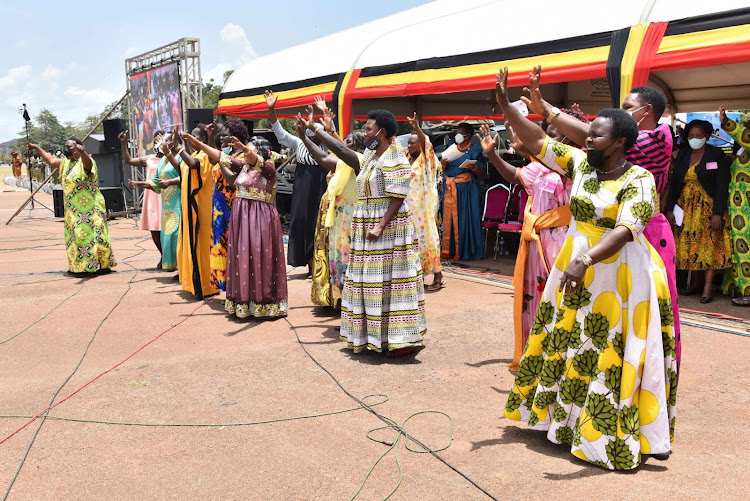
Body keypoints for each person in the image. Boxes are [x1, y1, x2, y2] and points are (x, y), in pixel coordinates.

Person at [495, 67, 677, 470]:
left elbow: (628, 228)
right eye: (588, 133)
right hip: (576, 265)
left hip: (618, 274)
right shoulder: (580, 165)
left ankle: (601, 437)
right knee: (570, 340)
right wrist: (508, 108)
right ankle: (563, 423)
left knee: (608, 349)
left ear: (621, 143)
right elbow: (538, 140)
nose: (587, 139)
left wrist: (586, 258)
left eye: (596, 135)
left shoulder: (639, 179)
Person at [523, 66, 682, 373]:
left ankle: (646, 378)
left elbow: (590, 137)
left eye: (626, 109)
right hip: (605, 234)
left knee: (647, 311)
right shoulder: (607, 148)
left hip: (644, 231)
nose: (620, 114)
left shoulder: (659, 137)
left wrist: (550, 112)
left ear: (646, 111)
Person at [300, 108, 427, 356]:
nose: (365, 131)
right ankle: (372, 337)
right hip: (366, 223)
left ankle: (401, 339)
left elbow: (398, 197)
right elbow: (344, 151)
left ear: (381, 132)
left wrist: (380, 225)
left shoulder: (396, 157)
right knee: (368, 282)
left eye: (368, 128)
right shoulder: (370, 154)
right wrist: (316, 130)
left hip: (390, 228)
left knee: (392, 282)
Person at [478, 108, 589, 370]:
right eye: (546, 136)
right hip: (535, 241)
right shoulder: (539, 165)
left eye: (553, 137)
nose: (547, 142)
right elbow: (516, 176)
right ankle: (537, 354)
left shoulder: (581, 162)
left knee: (561, 299)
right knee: (535, 299)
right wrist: (492, 154)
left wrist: (528, 147)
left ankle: (562, 359)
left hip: (563, 241)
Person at [183, 133, 288, 318]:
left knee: (258, 257)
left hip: (259, 219)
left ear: (261, 150)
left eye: (249, 148)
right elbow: (220, 157)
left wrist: (246, 149)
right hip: (242, 219)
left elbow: (257, 161)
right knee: (243, 258)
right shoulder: (244, 167)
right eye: (244, 149)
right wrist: (197, 143)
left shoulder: (268, 168)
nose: (244, 152)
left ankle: (262, 302)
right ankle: (244, 302)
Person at [297, 104, 365, 308]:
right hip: (340, 221)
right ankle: (345, 306)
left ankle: (356, 308)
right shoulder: (345, 162)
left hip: (354, 220)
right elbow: (323, 157)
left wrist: (316, 129)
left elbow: (336, 150)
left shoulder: (361, 160)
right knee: (340, 264)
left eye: (349, 142)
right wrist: (303, 137)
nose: (344, 144)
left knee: (353, 264)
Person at [665, 119, 731, 303]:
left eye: (699, 135)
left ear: (707, 136)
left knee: (708, 246)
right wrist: (669, 208)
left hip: (708, 208)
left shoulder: (716, 154)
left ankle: (708, 288)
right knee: (690, 246)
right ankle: (694, 284)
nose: (695, 138)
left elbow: (721, 185)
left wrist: (718, 212)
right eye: (691, 135)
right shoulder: (683, 155)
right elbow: (675, 183)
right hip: (686, 208)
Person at [27, 138, 117, 275]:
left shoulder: (87, 161)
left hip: (90, 209)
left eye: (70, 147)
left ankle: (99, 266)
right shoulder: (65, 163)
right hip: (73, 211)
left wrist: (83, 153)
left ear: (78, 148)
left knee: (94, 237)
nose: (66, 149)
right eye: (65, 147)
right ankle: (81, 267)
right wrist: (36, 148)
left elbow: (88, 166)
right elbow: (51, 160)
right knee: (77, 239)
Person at [265, 90, 328, 275]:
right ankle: (308, 263)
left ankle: (319, 264)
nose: (315, 136)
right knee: (302, 222)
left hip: (322, 186)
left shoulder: (327, 145)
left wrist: (324, 113)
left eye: (318, 133)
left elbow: (333, 134)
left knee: (319, 223)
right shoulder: (300, 143)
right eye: (312, 133)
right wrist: (272, 110)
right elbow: (280, 133)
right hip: (302, 187)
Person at [163, 125, 217, 299]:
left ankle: (205, 286)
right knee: (190, 244)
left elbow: (193, 165)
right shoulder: (194, 155)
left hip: (200, 209)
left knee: (200, 247)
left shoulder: (205, 157)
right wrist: (174, 148)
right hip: (189, 210)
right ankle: (193, 282)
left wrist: (178, 147)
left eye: (194, 137)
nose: (192, 140)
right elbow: (183, 166)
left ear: (201, 140)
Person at [129, 134, 182, 273]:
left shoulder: (181, 156)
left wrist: (170, 181)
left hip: (179, 202)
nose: (161, 143)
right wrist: (140, 184)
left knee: (177, 236)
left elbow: (183, 174)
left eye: (165, 141)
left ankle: (184, 269)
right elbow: (157, 181)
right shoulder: (163, 160)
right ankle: (178, 268)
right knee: (168, 237)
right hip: (167, 205)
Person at [406, 113, 444, 291]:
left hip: (424, 208)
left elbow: (425, 142)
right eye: (408, 142)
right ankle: (418, 275)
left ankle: (438, 276)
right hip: (410, 208)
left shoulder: (427, 158)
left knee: (428, 238)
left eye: (412, 142)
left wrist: (416, 128)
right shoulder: (408, 158)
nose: (409, 145)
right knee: (414, 241)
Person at [210, 120, 247, 292]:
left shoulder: (242, 156)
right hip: (219, 209)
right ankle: (227, 287)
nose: (221, 139)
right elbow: (212, 158)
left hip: (234, 208)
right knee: (221, 248)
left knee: (234, 248)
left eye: (224, 135)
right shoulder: (225, 154)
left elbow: (233, 181)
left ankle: (237, 287)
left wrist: (221, 161)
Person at [441, 122, 486, 261]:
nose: (457, 135)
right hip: (450, 186)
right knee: (450, 219)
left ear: (468, 136)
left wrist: (474, 167)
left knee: (466, 218)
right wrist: (443, 164)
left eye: (460, 133)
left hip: (466, 188)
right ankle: (450, 250)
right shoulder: (450, 148)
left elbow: (482, 173)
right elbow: (442, 168)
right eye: (456, 133)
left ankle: (466, 250)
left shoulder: (475, 150)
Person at [120, 129, 164, 268]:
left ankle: (172, 257)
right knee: (155, 229)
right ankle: (163, 256)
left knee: (168, 229)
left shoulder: (171, 158)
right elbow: (128, 160)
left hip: (167, 196)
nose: (158, 140)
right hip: (152, 197)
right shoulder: (149, 159)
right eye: (156, 138)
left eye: (161, 138)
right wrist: (123, 143)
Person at [720, 108, 750, 307]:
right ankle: (736, 284)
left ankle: (747, 291)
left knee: (744, 248)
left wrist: (726, 122)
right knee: (736, 246)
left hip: (745, 209)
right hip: (737, 206)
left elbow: (744, 136)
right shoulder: (743, 150)